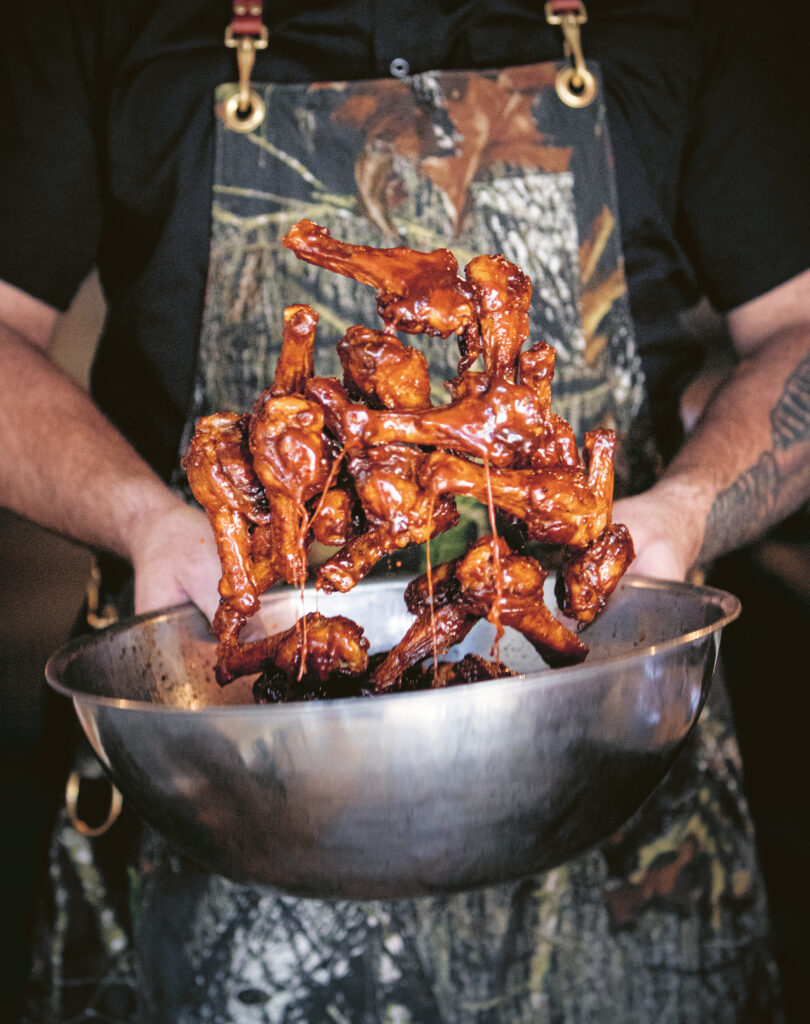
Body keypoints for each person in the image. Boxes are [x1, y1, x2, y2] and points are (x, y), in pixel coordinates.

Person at [1, 1, 808, 1020]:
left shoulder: (683, 18)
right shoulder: (101, 22)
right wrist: (143, 518)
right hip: (218, 755)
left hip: (617, 776)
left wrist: (685, 510)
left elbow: (800, 327)